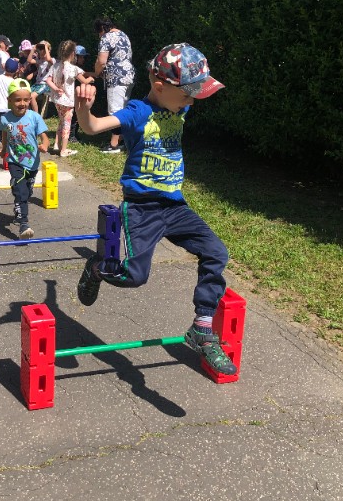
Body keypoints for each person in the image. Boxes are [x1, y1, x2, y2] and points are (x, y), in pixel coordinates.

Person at [74, 42, 235, 376]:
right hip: (143, 209)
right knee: (135, 276)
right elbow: (92, 128)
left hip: (174, 206)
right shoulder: (137, 113)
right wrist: (83, 108)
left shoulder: (179, 108)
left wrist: (184, 95)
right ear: (160, 87)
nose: (191, 102)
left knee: (216, 252)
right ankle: (98, 269)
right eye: (188, 95)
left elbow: (182, 97)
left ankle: (202, 327)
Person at [0, 78, 50, 240]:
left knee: (27, 192)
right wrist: (3, 149)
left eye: (26, 100)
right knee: (20, 190)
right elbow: (5, 133)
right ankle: (24, 224)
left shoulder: (34, 117)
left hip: (32, 162)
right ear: (9, 100)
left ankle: (19, 205)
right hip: (14, 161)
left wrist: (45, 144)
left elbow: (45, 137)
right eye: (17, 100)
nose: (22, 103)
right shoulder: (5, 118)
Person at [92, 16, 135, 153]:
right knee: (124, 109)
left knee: (115, 112)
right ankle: (124, 140)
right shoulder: (124, 35)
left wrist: (97, 72)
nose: (99, 36)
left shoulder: (106, 37)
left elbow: (101, 61)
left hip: (116, 78)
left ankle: (114, 144)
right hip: (128, 76)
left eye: (99, 32)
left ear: (102, 28)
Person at [45, 40, 94, 157]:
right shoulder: (73, 68)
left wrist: (56, 89)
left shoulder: (55, 65)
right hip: (67, 102)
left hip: (57, 100)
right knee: (67, 124)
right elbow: (84, 81)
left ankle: (57, 144)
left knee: (61, 122)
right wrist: (91, 79)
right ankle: (64, 150)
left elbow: (48, 80)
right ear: (73, 53)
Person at [27, 40, 55, 114]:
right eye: (40, 49)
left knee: (32, 96)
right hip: (37, 84)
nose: (41, 51)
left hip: (45, 84)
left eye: (43, 49)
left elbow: (48, 59)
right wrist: (33, 49)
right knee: (25, 95)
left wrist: (45, 47)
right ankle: (29, 113)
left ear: (48, 50)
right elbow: (29, 60)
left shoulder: (52, 60)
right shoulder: (39, 60)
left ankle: (36, 115)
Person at [69, 44, 89, 142]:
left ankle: (74, 134)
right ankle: (71, 135)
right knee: (73, 116)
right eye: (81, 57)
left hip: (76, 96)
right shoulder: (74, 68)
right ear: (75, 57)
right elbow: (84, 79)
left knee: (76, 115)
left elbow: (85, 73)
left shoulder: (78, 68)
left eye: (84, 57)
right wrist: (90, 79)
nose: (83, 59)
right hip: (71, 96)